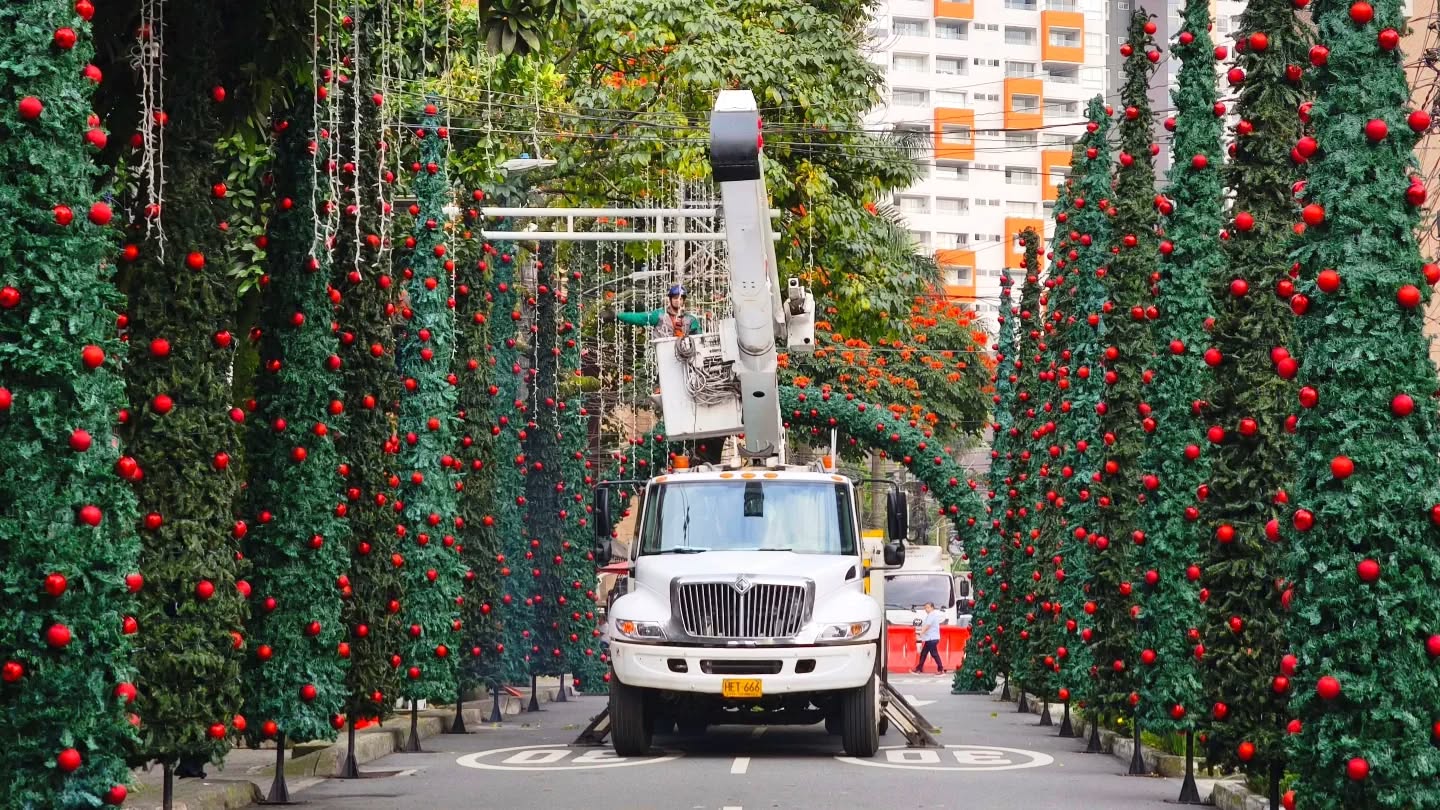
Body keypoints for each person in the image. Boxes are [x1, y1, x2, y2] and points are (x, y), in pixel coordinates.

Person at [604, 284, 703, 339]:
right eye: (675, 298)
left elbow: (699, 339)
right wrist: (617, 315)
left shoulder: (690, 320)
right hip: (665, 358)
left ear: (684, 300)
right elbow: (640, 318)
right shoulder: (660, 315)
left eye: (681, 299)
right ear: (670, 299)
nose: (678, 301)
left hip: (685, 358)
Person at [913, 602, 945, 674]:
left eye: (928, 607)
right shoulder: (930, 615)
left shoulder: (932, 615)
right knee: (924, 654)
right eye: (925, 608)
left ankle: (941, 669)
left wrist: (921, 633)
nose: (926, 609)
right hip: (929, 638)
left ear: (932, 608)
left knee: (934, 654)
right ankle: (919, 669)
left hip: (932, 638)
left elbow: (927, 626)